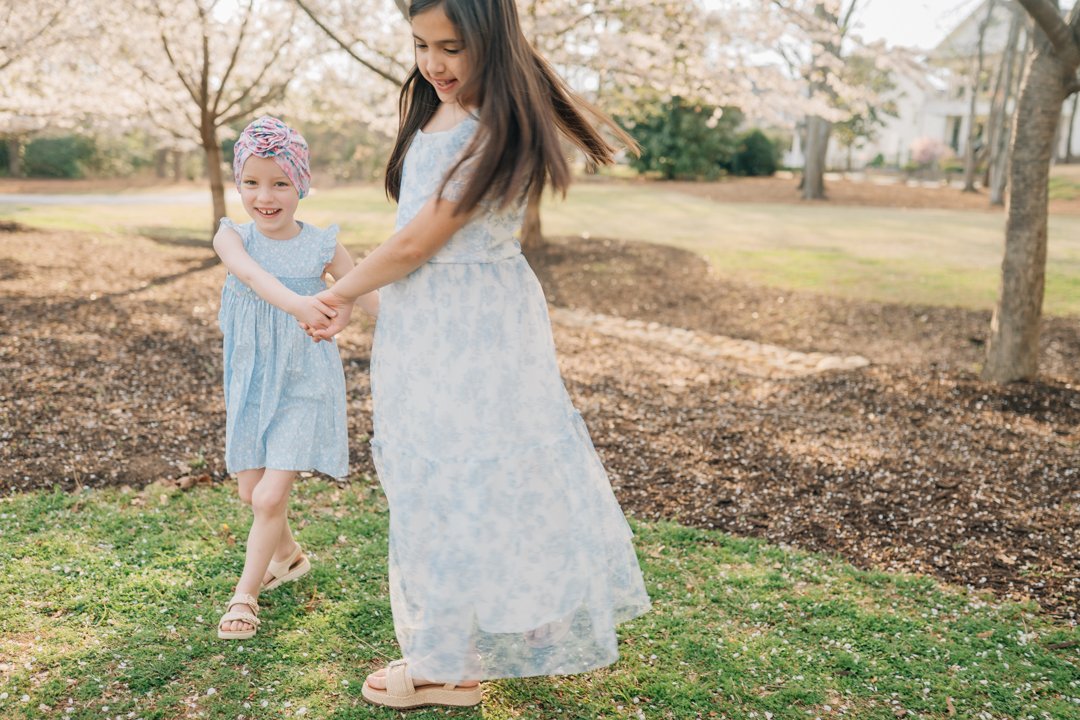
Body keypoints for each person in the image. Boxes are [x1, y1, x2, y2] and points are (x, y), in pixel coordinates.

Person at [289, 0, 650, 708]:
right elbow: (412, 238)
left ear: (492, 40)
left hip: (473, 331)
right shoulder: (437, 110)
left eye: (451, 47)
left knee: (459, 477)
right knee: (466, 472)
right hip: (435, 324)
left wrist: (339, 295)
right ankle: (531, 617)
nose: (433, 63)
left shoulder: (497, 131)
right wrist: (372, 300)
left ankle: (445, 663)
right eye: (421, 45)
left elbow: (419, 243)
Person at [212, 115, 378, 641]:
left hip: (306, 380)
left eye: (281, 182)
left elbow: (362, 293)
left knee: (267, 499)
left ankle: (246, 596)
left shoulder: (323, 245)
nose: (266, 196)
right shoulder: (231, 237)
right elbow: (253, 278)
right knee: (251, 493)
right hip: (253, 380)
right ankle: (288, 556)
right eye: (252, 182)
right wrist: (302, 304)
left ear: (301, 184)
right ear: (239, 183)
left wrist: (354, 310)